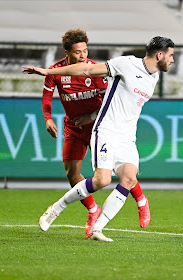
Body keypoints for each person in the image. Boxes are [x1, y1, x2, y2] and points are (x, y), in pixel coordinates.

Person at [23, 36, 175, 241]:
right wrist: (48, 72)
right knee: (102, 180)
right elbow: (85, 69)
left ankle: (97, 229)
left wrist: (91, 115)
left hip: (127, 136)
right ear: (160, 55)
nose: (172, 60)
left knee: (129, 178)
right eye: (171, 55)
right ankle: (56, 208)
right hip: (106, 130)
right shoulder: (126, 64)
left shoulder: (154, 76)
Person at [40, 29, 151, 234]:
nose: (83, 55)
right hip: (73, 127)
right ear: (67, 52)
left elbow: (109, 101)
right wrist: (47, 118)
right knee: (72, 173)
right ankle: (92, 209)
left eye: (85, 50)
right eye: (77, 52)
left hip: (99, 126)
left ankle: (141, 200)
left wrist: (90, 116)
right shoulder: (55, 71)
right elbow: (46, 99)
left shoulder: (95, 70)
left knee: (122, 171)